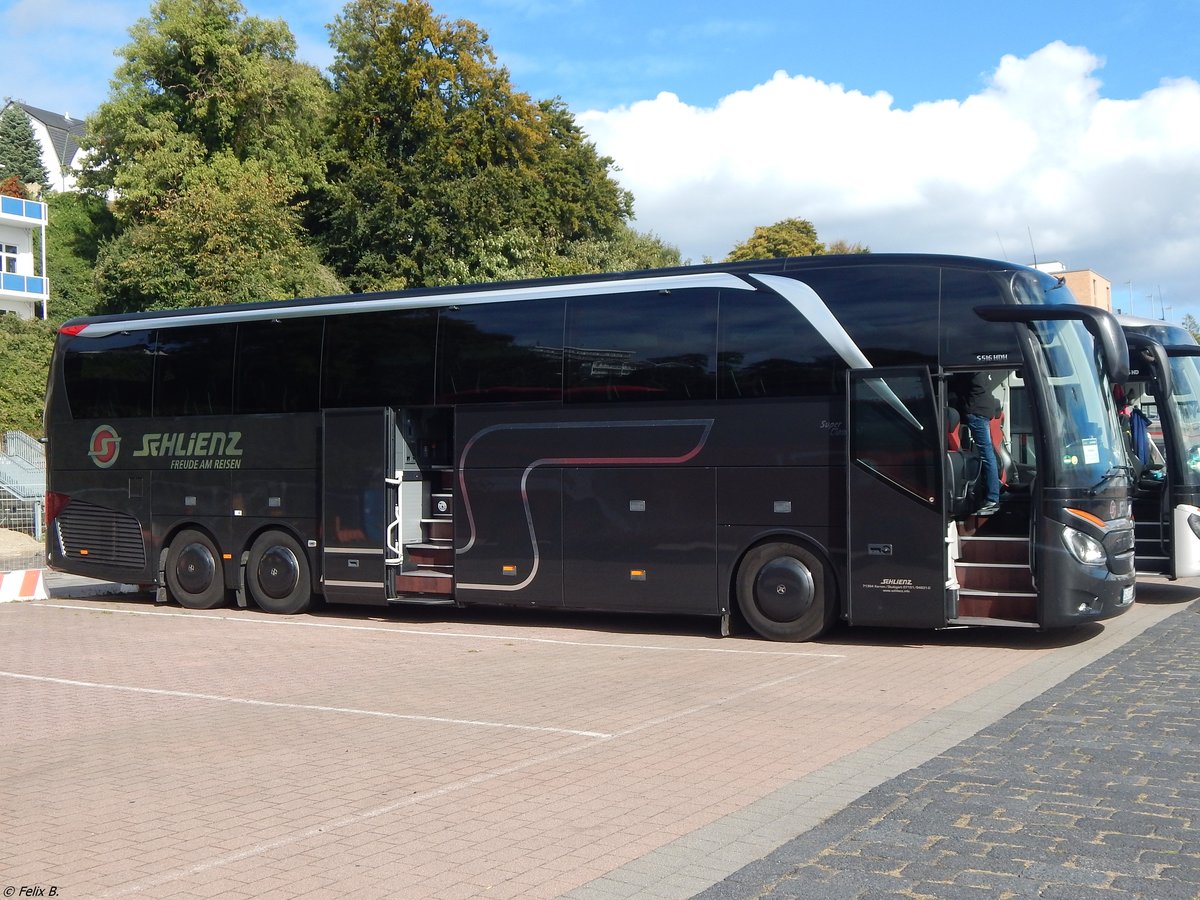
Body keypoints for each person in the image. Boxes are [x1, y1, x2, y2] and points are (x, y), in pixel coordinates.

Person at [963, 371, 1001, 516]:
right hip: (985, 411)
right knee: (988, 453)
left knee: (986, 455)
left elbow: (962, 386)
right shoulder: (984, 370)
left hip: (976, 411)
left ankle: (992, 498)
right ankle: (992, 495)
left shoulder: (970, 371)